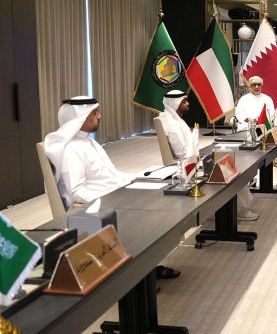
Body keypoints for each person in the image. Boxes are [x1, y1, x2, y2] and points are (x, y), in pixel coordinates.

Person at [44, 96, 181, 280]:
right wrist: (115, 197)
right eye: (94, 112)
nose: (99, 116)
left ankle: (145, 267)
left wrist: (138, 178)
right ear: (80, 118)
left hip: (116, 195)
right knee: (150, 214)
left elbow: (111, 175)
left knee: (158, 200)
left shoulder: (90, 142)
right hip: (98, 205)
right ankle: (137, 276)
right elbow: (77, 193)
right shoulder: (72, 150)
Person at [158, 90, 259, 221]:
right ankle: (239, 209)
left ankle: (236, 206)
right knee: (228, 167)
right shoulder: (172, 124)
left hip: (194, 157)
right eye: (184, 101)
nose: (188, 104)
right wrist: (204, 156)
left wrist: (205, 152)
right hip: (186, 165)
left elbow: (190, 145)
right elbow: (181, 153)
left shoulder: (176, 120)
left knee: (227, 160)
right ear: (175, 104)